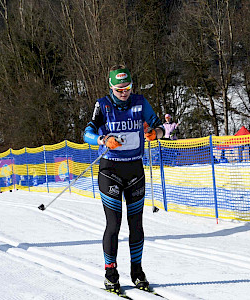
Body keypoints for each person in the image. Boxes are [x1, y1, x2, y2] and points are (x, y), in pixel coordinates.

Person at [83, 65, 164, 294]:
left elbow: (160, 127)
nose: (124, 93)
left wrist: (154, 133)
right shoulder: (103, 105)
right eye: (119, 89)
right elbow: (86, 132)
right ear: (111, 88)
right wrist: (102, 140)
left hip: (135, 171)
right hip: (110, 171)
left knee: (136, 225)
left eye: (127, 88)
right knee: (114, 224)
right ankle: (111, 273)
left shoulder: (140, 102)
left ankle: (137, 272)